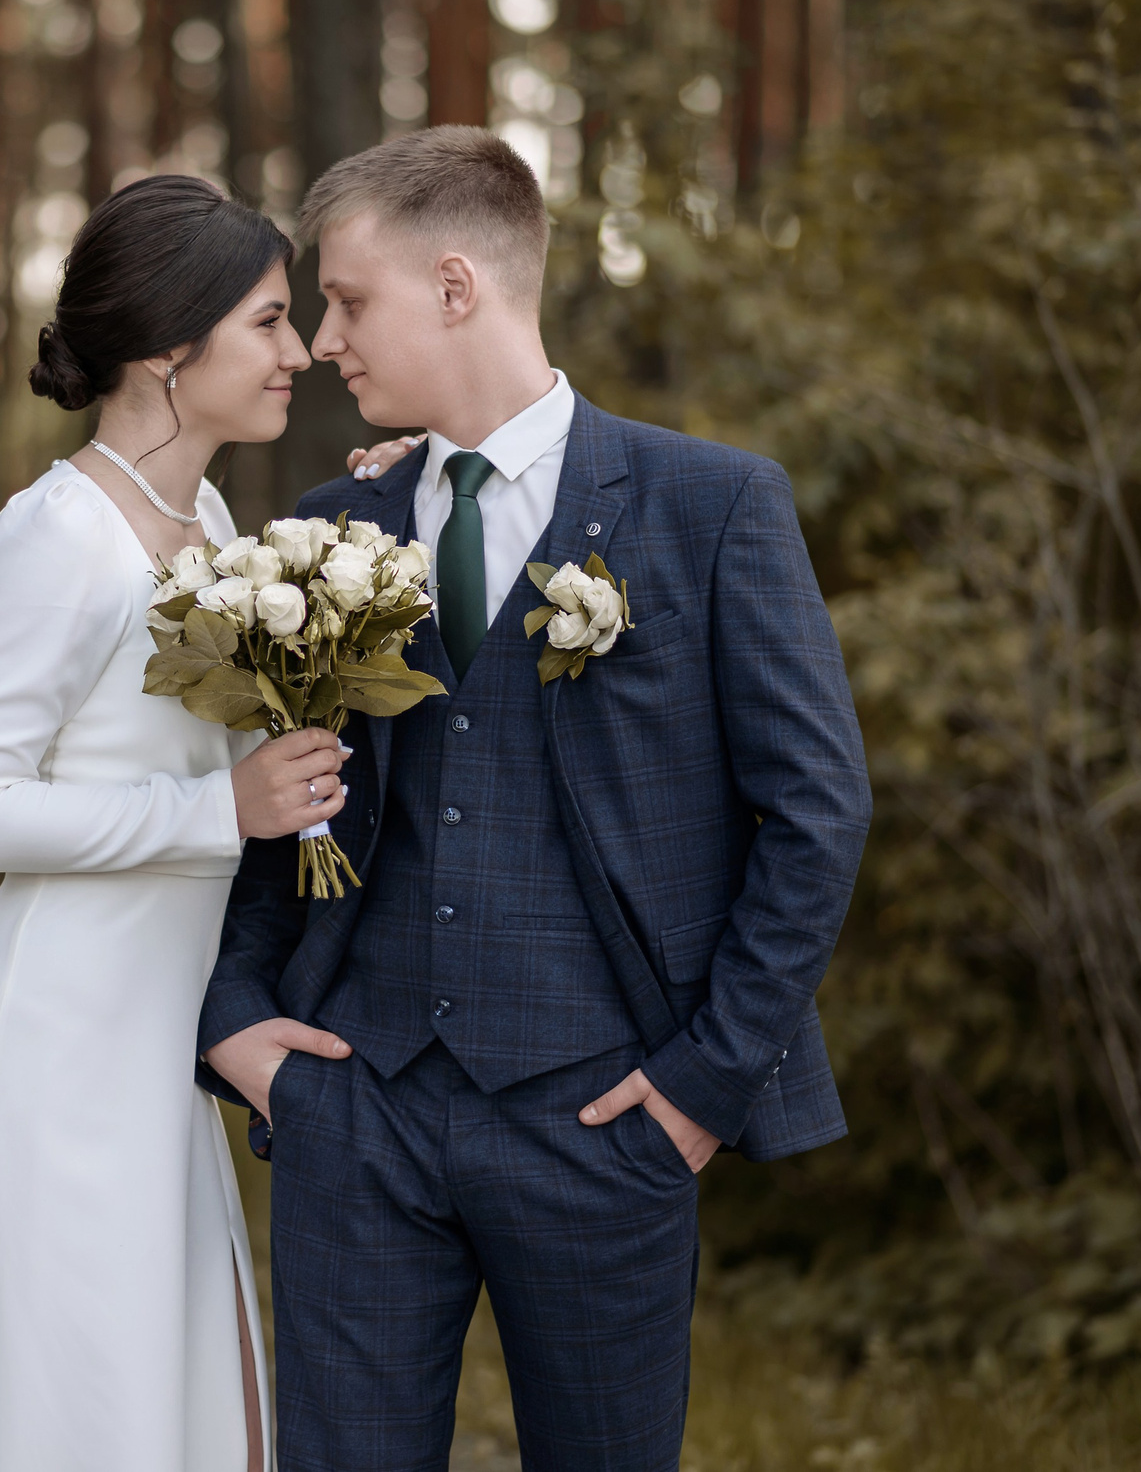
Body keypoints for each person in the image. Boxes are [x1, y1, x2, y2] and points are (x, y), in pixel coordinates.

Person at [198, 126, 873, 1472]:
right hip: (355, 1113)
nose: (328, 339)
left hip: (607, 1122)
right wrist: (236, 1025)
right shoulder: (337, 528)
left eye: (348, 299)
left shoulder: (711, 505)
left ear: (457, 287)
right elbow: (289, 807)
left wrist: (699, 1088)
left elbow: (816, 817)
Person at [0, 174, 351, 1472]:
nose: (298, 354)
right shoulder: (53, 534)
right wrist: (214, 806)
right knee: (75, 1416)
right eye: (269, 324)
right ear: (170, 348)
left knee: (173, 1400)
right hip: (53, 1054)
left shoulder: (211, 522)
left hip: (155, 1047)